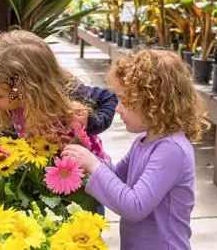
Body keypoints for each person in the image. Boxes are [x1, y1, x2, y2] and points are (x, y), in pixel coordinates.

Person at [63, 48, 208, 250]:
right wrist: (83, 151)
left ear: (153, 102)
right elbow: (116, 176)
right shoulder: (145, 140)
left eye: (125, 100)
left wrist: (94, 165)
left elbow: (135, 206)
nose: (117, 108)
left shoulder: (172, 150)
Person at [0, 29, 117, 159]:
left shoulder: (68, 94)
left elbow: (109, 97)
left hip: (82, 172)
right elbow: (2, 111)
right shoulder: (12, 94)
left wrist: (90, 122)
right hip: (43, 166)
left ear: (27, 91)